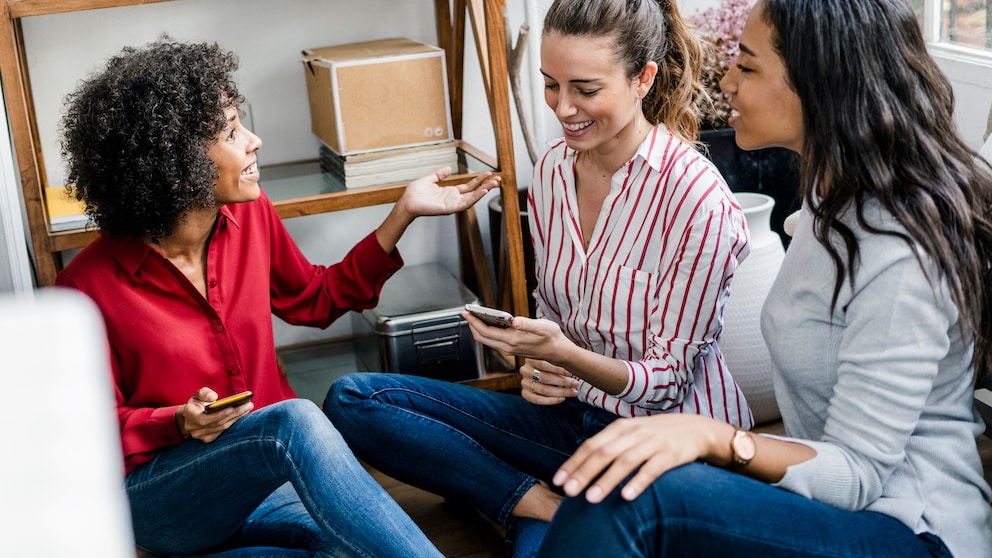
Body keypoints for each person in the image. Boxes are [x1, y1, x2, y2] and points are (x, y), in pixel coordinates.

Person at [536, 1, 992, 557]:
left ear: (818, 83)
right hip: (821, 503)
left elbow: (860, 475)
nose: (725, 81)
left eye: (747, 68)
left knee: (625, 497)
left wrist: (715, 438)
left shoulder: (899, 247)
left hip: (911, 529)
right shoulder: (829, 197)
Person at [326, 0, 752, 554]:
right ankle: (536, 500)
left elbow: (666, 384)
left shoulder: (697, 200)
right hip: (564, 421)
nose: (564, 107)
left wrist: (567, 357)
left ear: (643, 78)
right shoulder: (552, 170)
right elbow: (554, 316)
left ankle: (528, 503)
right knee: (354, 401)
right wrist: (535, 360)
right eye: (551, 85)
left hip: (663, 448)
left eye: (586, 89)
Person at [54, 38, 499, 557]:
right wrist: (176, 420)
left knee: (348, 547)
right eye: (230, 131)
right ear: (173, 162)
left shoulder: (252, 215)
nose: (254, 140)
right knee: (296, 419)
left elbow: (315, 298)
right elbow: (88, 434)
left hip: (266, 477)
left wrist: (402, 214)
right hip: (168, 498)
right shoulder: (86, 290)